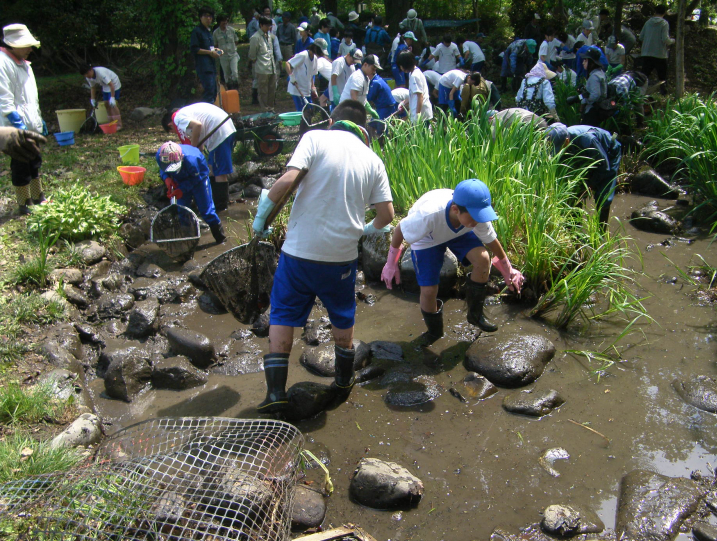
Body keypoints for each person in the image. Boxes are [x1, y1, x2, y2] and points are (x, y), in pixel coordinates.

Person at [253, 100, 394, 412]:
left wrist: (262, 219)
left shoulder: (315, 138)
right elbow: (386, 215)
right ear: (364, 131)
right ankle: (343, 382)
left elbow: (289, 180)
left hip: (298, 254)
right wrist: (364, 229)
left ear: (333, 120)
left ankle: (276, 393)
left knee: (283, 315)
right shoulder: (373, 160)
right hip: (340, 258)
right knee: (342, 314)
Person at [380, 179, 524, 346]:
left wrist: (508, 270)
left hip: (459, 232)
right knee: (428, 289)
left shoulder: (474, 215)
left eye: (481, 217)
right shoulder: (429, 215)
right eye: (475, 218)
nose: (479, 221)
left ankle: (475, 315)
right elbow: (400, 230)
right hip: (428, 238)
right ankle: (434, 332)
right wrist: (391, 264)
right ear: (456, 210)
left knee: (483, 259)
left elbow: (491, 241)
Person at [0, 24, 48, 215]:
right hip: (15, 127)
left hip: (30, 124)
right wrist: (18, 125)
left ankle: (38, 196)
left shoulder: (24, 64)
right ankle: (24, 203)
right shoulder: (3, 63)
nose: (30, 49)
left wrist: (39, 120)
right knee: (21, 164)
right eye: (26, 45)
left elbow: (30, 98)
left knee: (35, 160)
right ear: (12, 45)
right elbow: (4, 100)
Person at [163, 101, 237, 211]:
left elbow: (197, 125)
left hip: (219, 132)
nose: (176, 132)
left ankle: (222, 207)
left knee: (220, 172)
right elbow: (200, 144)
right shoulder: (185, 113)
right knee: (212, 168)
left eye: (173, 131)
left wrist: (192, 150)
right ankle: (211, 200)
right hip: (224, 129)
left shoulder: (178, 118)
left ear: (170, 125)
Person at [547, 123, 620, 226]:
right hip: (584, 152)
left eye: (559, 149)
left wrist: (590, 185)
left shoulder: (587, 140)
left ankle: (600, 234)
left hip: (608, 152)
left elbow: (604, 167)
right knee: (575, 190)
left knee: (604, 195)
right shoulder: (559, 139)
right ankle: (574, 228)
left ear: (567, 142)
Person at [156, 141, 226, 244]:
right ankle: (189, 241)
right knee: (182, 211)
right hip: (179, 179)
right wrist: (166, 178)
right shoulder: (160, 155)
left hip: (199, 178)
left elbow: (196, 179)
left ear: (182, 157)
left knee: (206, 211)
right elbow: (162, 169)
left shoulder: (192, 159)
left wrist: (181, 190)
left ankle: (221, 238)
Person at [249, 16, 282, 114]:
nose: (269, 28)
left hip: (272, 68)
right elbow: (252, 55)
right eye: (267, 25)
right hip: (262, 69)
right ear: (261, 25)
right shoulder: (255, 38)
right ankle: (264, 110)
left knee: (272, 90)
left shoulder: (270, 36)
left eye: (270, 25)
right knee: (263, 91)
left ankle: (271, 109)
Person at [191, 7, 223, 104]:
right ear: (200, 17)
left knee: (213, 92)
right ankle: (205, 114)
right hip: (203, 66)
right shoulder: (197, 31)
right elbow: (194, 49)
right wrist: (210, 53)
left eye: (210, 16)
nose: (208, 18)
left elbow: (210, 48)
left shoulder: (208, 32)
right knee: (209, 91)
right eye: (206, 16)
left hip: (211, 65)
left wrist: (217, 50)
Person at [639, 4, 674, 94]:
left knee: (644, 75)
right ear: (665, 12)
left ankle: (640, 92)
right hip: (660, 54)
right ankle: (663, 93)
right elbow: (665, 39)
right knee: (662, 77)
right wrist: (673, 41)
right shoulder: (664, 23)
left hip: (646, 52)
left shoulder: (648, 22)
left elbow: (641, 37)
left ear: (655, 12)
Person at [79, 64, 123, 128]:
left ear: (91, 70)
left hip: (114, 84)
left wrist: (112, 98)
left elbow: (111, 85)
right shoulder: (88, 78)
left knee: (113, 105)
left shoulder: (101, 73)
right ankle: (111, 123)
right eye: (85, 75)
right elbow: (93, 87)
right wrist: (92, 99)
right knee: (106, 104)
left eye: (87, 73)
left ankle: (119, 124)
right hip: (105, 85)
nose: (87, 76)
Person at [397, 51, 433, 123]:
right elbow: (413, 95)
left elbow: (420, 96)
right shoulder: (413, 73)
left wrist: (417, 115)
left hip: (421, 116)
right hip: (419, 114)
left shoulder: (414, 76)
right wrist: (404, 103)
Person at [286, 42, 323, 110]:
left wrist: (313, 87)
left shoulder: (314, 59)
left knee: (310, 110)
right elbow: (288, 64)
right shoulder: (303, 55)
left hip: (307, 90)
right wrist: (291, 76)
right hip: (298, 89)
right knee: (302, 112)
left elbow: (312, 74)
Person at [580, 48, 607, 126]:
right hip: (598, 109)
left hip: (593, 110)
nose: (583, 62)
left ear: (591, 63)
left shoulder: (594, 76)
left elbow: (595, 95)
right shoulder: (599, 72)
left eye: (585, 60)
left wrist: (585, 101)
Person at [213, 14, 239, 88]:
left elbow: (236, 40)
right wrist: (219, 54)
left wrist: (233, 48)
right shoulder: (215, 33)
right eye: (223, 21)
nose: (225, 22)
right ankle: (229, 88)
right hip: (223, 56)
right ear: (219, 22)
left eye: (226, 20)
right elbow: (215, 46)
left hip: (233, 54)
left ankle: (236, 88)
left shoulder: (231, 30)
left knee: (235, 73)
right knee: (226, 74)